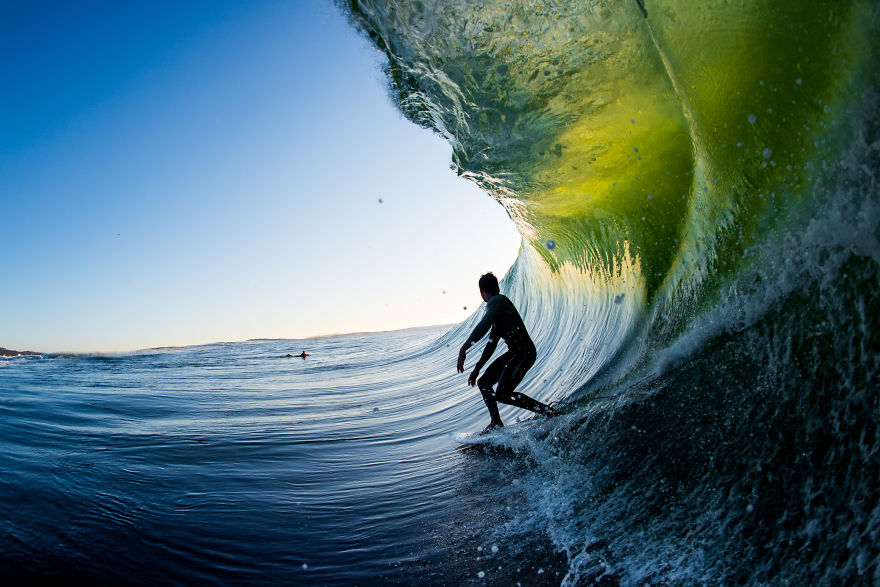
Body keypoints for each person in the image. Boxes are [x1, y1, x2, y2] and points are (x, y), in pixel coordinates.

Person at [456, 273, 557, 433]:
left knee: (502, 394)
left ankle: (549, 412)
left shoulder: (496, 302)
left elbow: (484, 324)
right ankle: (496, 422)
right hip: (515, 353)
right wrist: (477, 368)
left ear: (481, 291)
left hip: (524, 352)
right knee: (484, 383)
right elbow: (491, 344)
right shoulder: (498, 309)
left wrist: (464, 348)